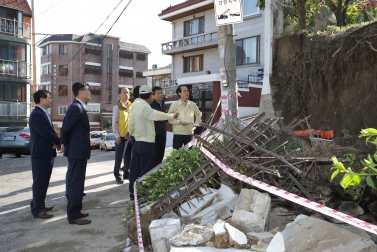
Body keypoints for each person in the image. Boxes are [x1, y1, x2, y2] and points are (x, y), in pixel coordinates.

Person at [128, 85, 179, 200]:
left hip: (137, 141)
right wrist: (172, 115)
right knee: (146, 171)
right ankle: (144, 194)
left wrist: (130, 132)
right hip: (147, 143)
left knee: (136, 169)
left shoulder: (135, 104)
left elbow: (131, 120)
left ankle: (134, 193)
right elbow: (157, 115)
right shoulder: (145, 107)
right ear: (151, 95)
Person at [61, 82, 91, 225]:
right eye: (87, 90)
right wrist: (64, 143)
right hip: (76, 151)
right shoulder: (76, 108)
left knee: (78, 184)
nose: (90, 93)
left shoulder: (79, 107)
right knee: (76, 184)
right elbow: (66, 128)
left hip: (79, 151)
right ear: (80, 92)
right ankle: (73, 215)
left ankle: (77, 210)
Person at [29, 90, 61, 219]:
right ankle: (38, 210)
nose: (51, 100)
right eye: (49, 97)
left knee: (43, 181)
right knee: (40, 182)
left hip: (46, 151)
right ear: (42, 99)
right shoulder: (37, 114)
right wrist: (59, 141)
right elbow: (46, 132)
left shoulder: (43, 113)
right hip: (41, 153)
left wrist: (56, 143)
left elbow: (49, 131)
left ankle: (38, 205)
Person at [112, 87, 132, 184]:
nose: (126, 94)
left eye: (128, 92)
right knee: (119, 157)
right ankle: (117, 174)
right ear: (120, 95)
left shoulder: (132, 106)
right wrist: (117, 136)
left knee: (128, 156)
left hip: (130, 136)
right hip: (121, 137)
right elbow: (114, 123)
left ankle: (126, 172)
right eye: (124, 92)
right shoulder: (117, 107)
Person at [150, 86, 168, 166]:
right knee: (154, 155)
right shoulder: (151, 106)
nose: (161, 95)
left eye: (161, 93)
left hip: (163, 133)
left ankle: (158, 170)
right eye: (158, 93)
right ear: (153, 95)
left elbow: (166, 119)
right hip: (154, 134)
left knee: (161, 154)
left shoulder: (164, 105)